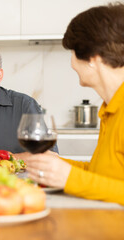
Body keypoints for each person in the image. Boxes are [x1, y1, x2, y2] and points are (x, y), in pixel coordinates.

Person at [25, 3, 124, 205]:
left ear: (93, 59)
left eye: (72, 52)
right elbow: (102, 175)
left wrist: (70, 178)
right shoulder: (111, 108)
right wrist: (58, 163)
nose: (71, 63)